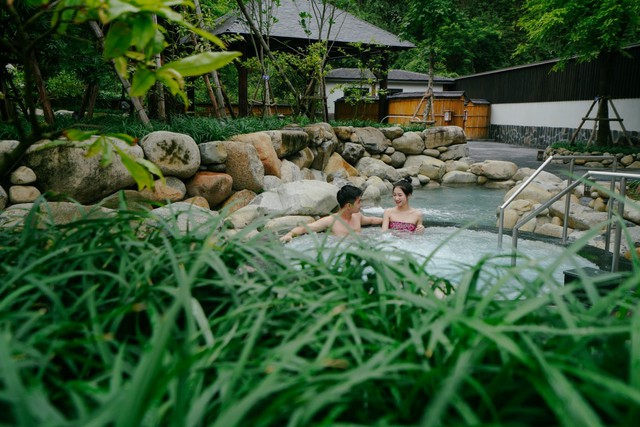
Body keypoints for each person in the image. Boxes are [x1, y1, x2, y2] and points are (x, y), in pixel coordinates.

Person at [280, 184, 383, 242]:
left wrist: (391, 220)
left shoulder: (357, 216)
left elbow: (372, 220)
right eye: (359, 202)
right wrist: (289, 234)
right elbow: (304, 228)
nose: (361, 205)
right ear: (348, 206)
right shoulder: (331, 221)